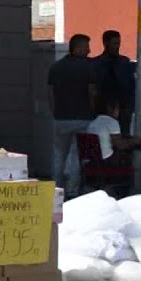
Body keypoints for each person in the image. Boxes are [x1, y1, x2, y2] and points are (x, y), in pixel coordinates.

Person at [47, 34, 99, 192]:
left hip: (61, 117)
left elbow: (50, 93)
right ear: (77, 48)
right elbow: (92, 93)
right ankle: (72, 190)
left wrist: (54, 111)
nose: (89, 51)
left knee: (59, 154)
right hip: (83, 117)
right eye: (86, 47)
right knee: (77, 155)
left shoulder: (56, 67)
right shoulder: (88, 68)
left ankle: (55, 188)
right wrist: (95, 111)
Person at [96, 29, 134, 133]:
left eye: (119, 43)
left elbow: (130, 86)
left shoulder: (124, 62)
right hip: (102, 108)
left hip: (123, 108)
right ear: (105, 43)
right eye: (115, 43)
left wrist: (128, 107)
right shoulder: (96, 63)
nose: (117, 46)